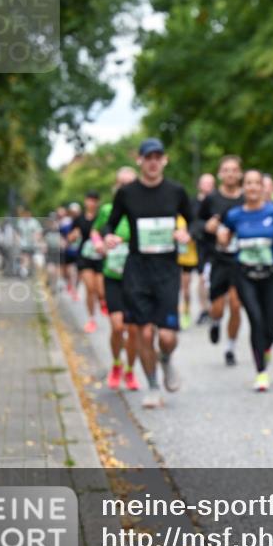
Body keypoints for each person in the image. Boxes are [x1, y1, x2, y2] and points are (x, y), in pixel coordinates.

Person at [103, 138, 194, 409]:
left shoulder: (176, 191)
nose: (153, 162)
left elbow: (195, 219)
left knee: (166, 336)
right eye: (148, 157)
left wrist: (187, 232)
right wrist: (109, 237)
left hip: (166, 268)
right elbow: (111, 222)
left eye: (158, 157)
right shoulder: (127, 193)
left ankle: (165, 358)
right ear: (140, 161)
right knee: (143, 334)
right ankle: (153, 386)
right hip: (137, 269)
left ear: (164, 160)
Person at [218, 169, 273, 391]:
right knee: (256, 319)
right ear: (244, 188)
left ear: (263, 188)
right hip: (245, 275)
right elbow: (224, 237)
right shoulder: (235, 214)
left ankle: (266, 347)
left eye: (257, 183)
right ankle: (261, 372)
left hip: (271, 274)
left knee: (270, 327)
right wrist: (222, 237)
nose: (252, 187)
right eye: (248, 183)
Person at [92, 167, 141, 391]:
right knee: (117, 325)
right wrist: (100, 244)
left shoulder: (143, 209)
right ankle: (116, 364)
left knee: (133, 330)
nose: (125, 188)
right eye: (122, 184)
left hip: (136, 276)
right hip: (112, 274)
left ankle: (130, 371)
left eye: (129, 184)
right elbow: (97, 231)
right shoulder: (108, 210)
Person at [195, 156, 246, 366]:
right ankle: (215, 322)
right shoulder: (211, 199)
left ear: (240, 173)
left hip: (241, 260)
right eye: (226, 170)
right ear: (220, 174)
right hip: (218, 260)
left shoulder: (246, 199)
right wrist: (208, 227)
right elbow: (196, 222)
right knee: (217, 308)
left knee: (235, 305)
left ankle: (230, 348)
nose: (231, 174)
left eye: (234, 170)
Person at [69, 193, 105, 331]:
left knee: (100, 291)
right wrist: (73, 236)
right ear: (85, 201)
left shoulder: (102, 218)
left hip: (100, 256)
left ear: (98, 202)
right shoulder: (78, 219)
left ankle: (103, 302)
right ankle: (91, 319)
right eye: (90, 200)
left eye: (95, 201)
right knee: (90, 288)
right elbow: (70, 237)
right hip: (84, 257)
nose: (92, 203)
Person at [193, 173, 215, 324]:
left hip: (217, 245)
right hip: (201, 245)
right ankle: (204, 309)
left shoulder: (217, 201)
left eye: (210, 183)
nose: (207, 186)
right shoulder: (193, 203)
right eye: (205, 183)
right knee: (202, 278)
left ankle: (214, 308)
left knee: (215, 278)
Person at [177, 213, 200, 328]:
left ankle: (186, 311)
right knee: (175, 289)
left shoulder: (189, 218)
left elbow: (197, 234)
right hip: (174, 259)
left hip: (188, 259)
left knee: (185, 289)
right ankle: (175, 314)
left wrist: (189, 236)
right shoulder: (171, 217)